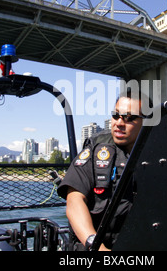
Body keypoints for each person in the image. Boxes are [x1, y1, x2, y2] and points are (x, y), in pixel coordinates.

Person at [57, 90, 146, 251]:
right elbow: (74, 199)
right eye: (116, 115)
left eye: (129, 118)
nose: (119, 123)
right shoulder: (97, 148)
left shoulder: (160, 152)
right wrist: (96, 246)